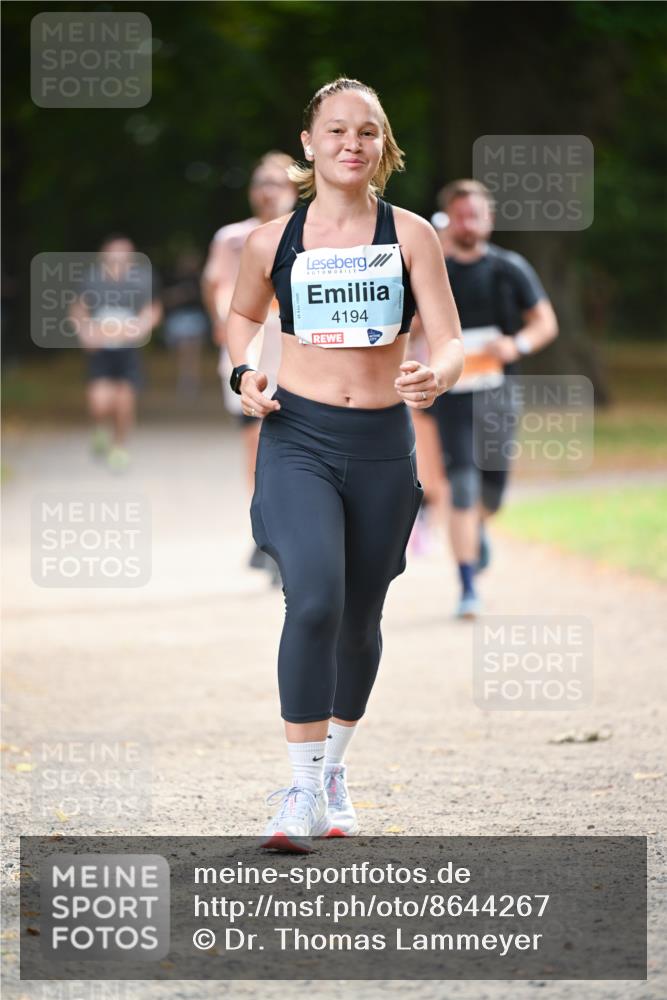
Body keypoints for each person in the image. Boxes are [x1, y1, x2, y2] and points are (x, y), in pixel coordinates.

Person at [226, 78, 463, 851]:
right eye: (335, 131)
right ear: (309, 143)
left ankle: (332, 773)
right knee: (316, 600)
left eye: (366, 131)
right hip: (298, 439)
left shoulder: (411, 235)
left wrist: (438, 372)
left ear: (381, 145)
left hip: (381, 446)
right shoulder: (273, 241)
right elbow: (240, 318)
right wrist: (244, 372)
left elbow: (450, 338)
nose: (350, 144)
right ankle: (297, 792)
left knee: (361, 618)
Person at [429, 180, 559, 618]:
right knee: (461, 483)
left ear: (491, 218)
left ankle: (477, 528)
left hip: (498, 392)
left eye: (477, 214)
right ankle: (467, 586)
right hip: (449, 396)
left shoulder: (510, 267)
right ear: (448, 218)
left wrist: (516, 346)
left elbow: (545, 322)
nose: (470, 222)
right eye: (461, 214)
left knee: (493, 491)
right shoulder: (434, 271)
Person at [202, 153, 297, 581]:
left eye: (277, 182)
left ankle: (290, 531)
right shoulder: (232, 238)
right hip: (251, 349)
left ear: (294, 188)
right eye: (261, 181)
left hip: (297, 349)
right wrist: (230, 326)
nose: (268, 189)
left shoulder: (311, 231)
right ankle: (267, 525)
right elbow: (218, 287)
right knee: (255, 443)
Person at [70, 235, 162, 472]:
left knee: (124, 400)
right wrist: (85, 333)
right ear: (104, 256)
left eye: (124, 255)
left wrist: (142, 327)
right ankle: (100, 428)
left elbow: (153, 309)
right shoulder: (92, 280)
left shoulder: (142, 280)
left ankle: (119, 447)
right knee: (99, 403)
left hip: (128, 350)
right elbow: (78, 309)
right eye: (114, 254)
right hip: (101, 350)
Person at [161, 249, 210, 398]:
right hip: (178, 319)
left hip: (194, 318)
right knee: (183, 351)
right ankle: (185, 379)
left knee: (192, 351)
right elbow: (164, 298)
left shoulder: (201, 279)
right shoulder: (172, 277)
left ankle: (189, 381)